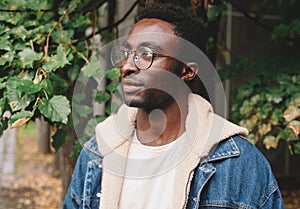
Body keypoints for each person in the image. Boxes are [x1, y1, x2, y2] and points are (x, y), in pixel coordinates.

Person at [63, 3, 284, 209]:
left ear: (187, 70)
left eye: (147, 54)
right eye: (127, 54)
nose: (128, 66)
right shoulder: (97, 153)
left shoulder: (239, 164)